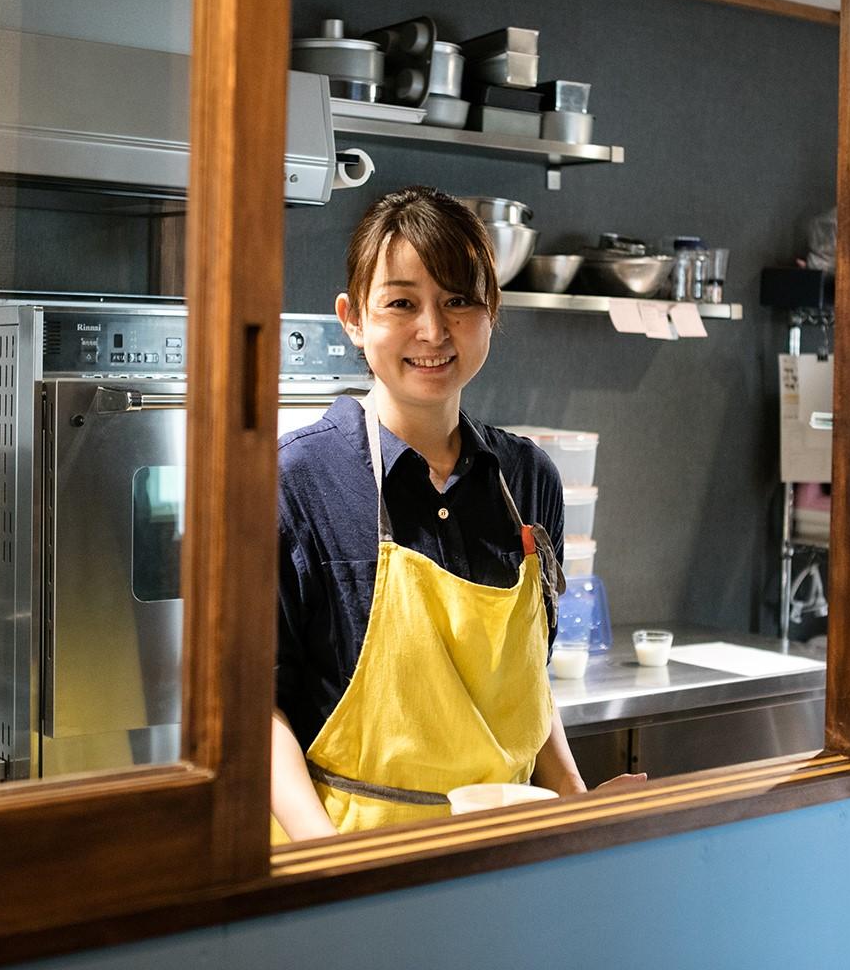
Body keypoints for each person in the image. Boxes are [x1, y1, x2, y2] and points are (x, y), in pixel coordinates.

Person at [271, 186, 642, 841]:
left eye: (458, 301)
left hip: (507, 864)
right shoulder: (299, 480)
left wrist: (578, 803)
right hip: (351, 868)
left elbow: (528, 687)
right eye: (402, 303)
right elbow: (256, 705)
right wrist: (320, 860)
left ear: (492, 312)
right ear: (352, 318)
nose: (434, 331)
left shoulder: (529, 479)